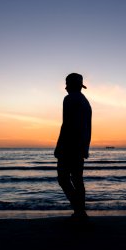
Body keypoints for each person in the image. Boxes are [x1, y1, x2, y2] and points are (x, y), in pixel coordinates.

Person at [54, 73, 92, 219]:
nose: (65, 87)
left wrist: (59, 146)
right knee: (77, 180)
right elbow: (87, 127)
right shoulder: (85, 101)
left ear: (72, 85)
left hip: (69, 146)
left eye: (67, 84)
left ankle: (79, 210)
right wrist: (85, 148)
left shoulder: (69, 99)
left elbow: (66, 124)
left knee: (63, 179)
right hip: (80, 146)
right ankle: (80, 212)